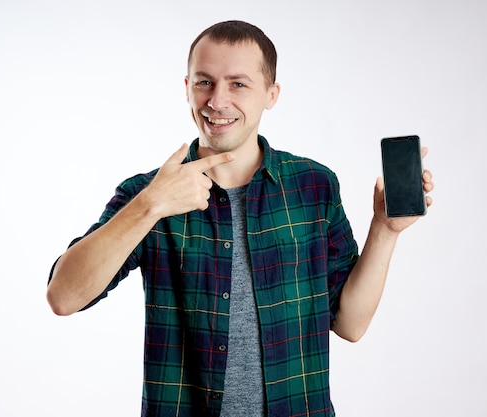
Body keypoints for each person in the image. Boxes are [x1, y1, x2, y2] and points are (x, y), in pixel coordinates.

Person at [47, 20, 434, 417]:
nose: (217, 101)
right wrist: (151, 205)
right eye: (204, 82)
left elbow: (350, 324)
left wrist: (385, 228)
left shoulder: (314, 186)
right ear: (186, 87)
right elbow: (63, 297)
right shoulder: (147, 194)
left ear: (271, 94)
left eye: (238, 84)